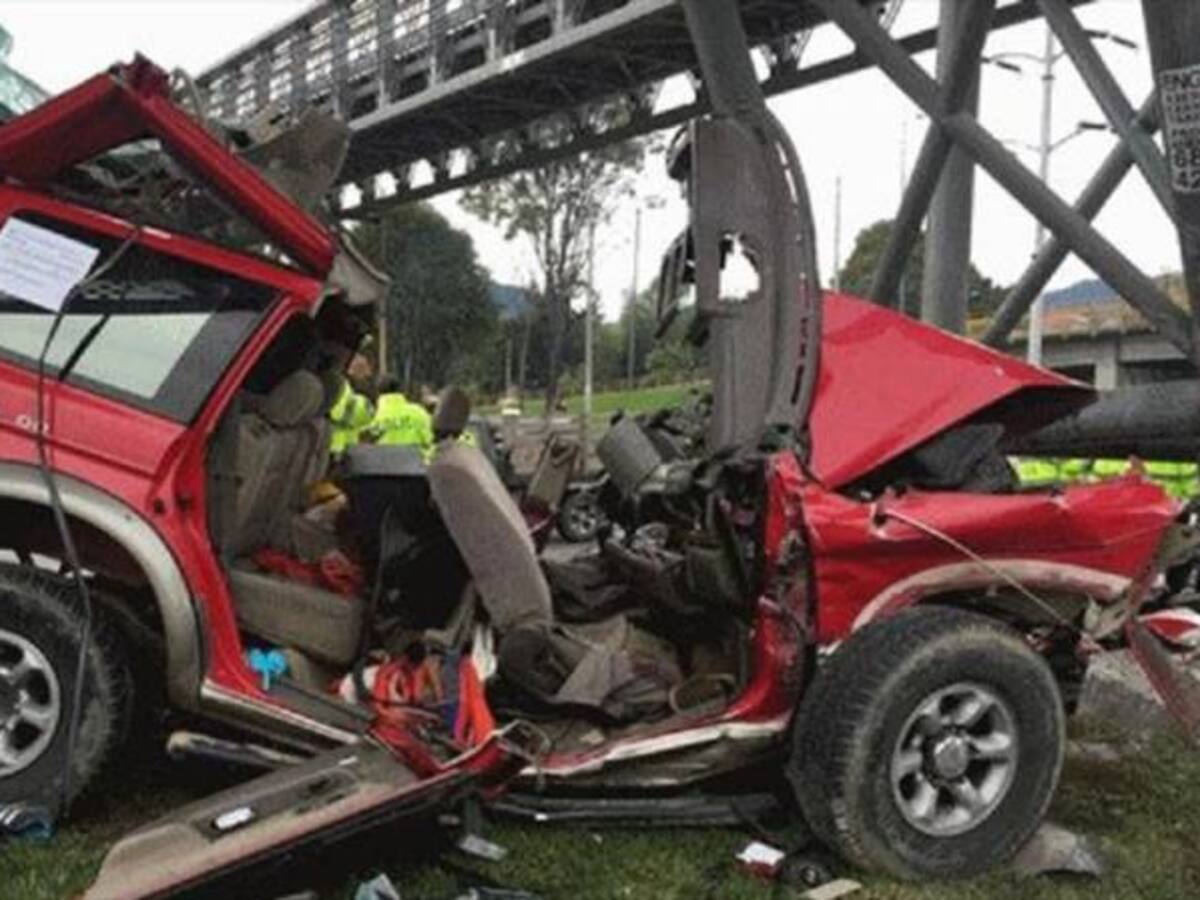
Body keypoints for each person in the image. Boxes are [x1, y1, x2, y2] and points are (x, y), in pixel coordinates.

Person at [367, 376, 434, 454]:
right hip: (416, 463)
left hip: (385, 464)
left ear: (377, 393)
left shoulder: (374, 417)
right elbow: (431, 439)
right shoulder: (418, 412)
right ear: (401, 391)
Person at [329, 353, 375, 458]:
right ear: (350, 369)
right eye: (362, 368)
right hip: (338, 450)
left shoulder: (349, 388)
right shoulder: (342, 389)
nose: (368, 373)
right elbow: (341, 414)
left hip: (346, 449)